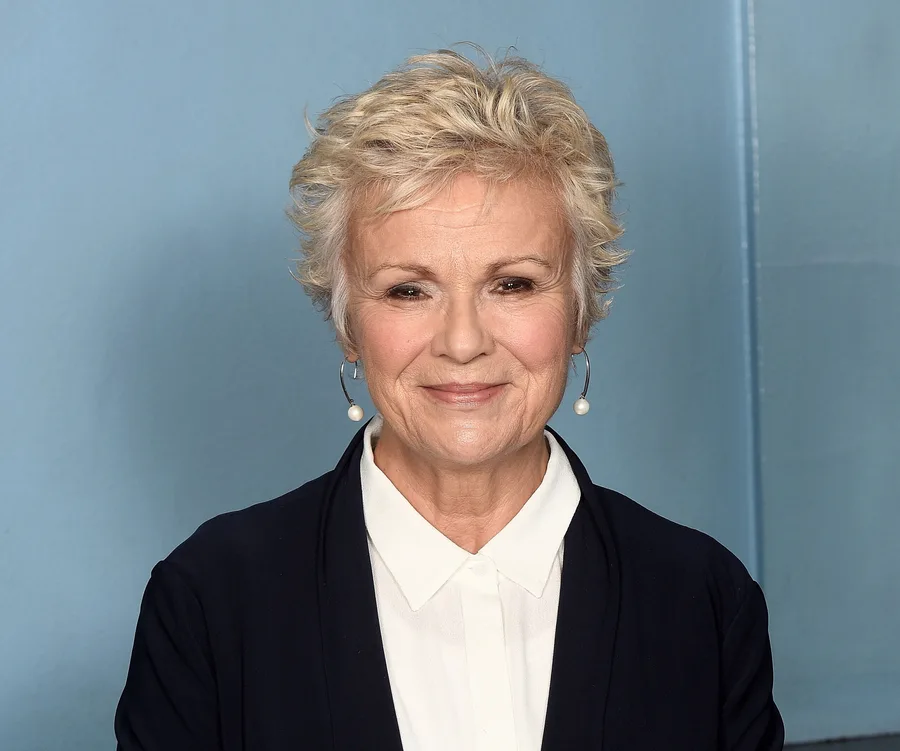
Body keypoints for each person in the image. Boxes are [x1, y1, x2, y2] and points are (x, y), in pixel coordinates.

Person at [115, 48, 784, 750]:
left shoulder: (702, 599)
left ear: (582, 312)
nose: (462, 342)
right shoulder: (209, 601)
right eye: (409, 289)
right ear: (347, 324)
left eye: (514, 283)